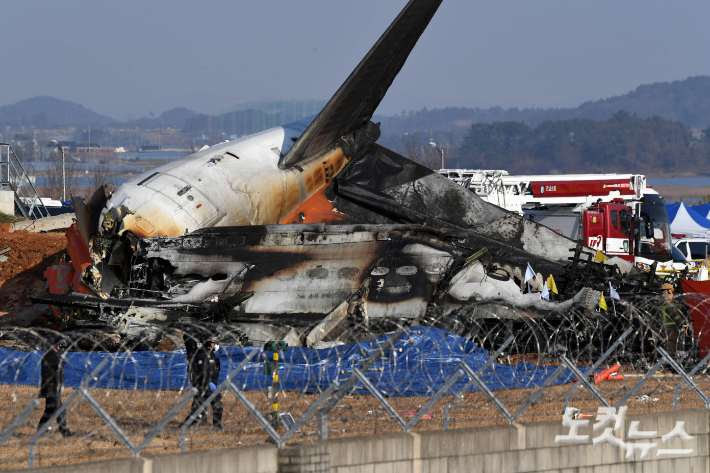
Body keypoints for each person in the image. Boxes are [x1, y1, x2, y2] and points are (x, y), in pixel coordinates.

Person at [184, 339, 223, 430]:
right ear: (212, 344)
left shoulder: (212, 355)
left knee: (218, 406)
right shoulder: (201, 355)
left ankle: (218, 428)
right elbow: (199, 372)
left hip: (212, 385)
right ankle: (185, 426)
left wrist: (214, 383)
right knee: (198, 409)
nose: (217, 346)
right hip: (203, 385)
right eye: (216, 344)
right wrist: (207, 383)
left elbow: (214, 371)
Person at [38, 339, 71, 437]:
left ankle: (40, 432)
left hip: (52, 388)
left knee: (50, 411)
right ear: (58, 346)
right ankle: (65, 433)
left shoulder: (53, 355)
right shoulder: (50, 356)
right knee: (59, 411)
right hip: (51, 389)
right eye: (62, 347)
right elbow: (49, 374)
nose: (63, 349)